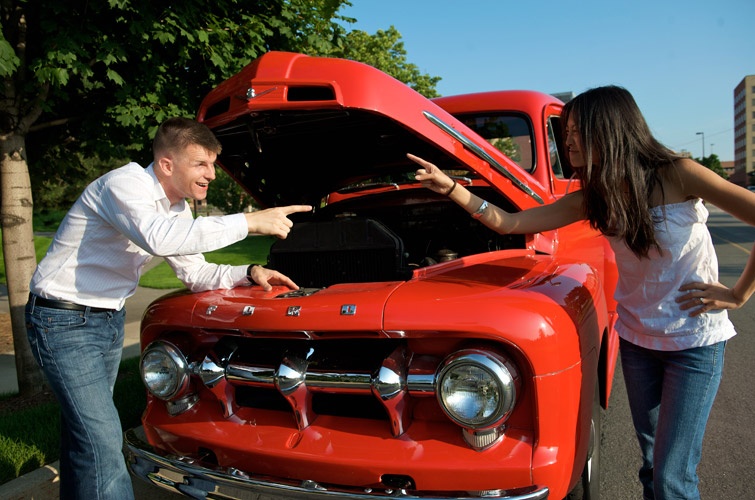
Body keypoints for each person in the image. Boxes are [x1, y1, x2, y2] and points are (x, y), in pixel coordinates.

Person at [409, 85, 755, 500]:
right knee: (652, 465)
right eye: (567, 131)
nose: (567, 140)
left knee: (672, 478)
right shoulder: (596, 196)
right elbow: (509, 223)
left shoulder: (678, 173)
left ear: (608, 129)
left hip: (694, 343)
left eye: (576, 131)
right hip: (638, 341)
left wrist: (739, 294)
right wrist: (451, 188)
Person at [25, 117, 312, 499]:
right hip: (62, 318)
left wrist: (249, 271)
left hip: (106, 320)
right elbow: (158, 238)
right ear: (166, 164)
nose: (211, 174)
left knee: (86, 436)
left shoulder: (177, 209)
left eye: (213, 164)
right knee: (102, 439)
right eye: (201, 164)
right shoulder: (124, 185)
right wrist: (249, 222)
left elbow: (195, 272)